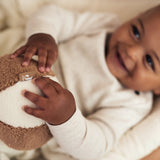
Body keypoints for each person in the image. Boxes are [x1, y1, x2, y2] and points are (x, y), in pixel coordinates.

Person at [11, 4, 160, 160]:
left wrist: (66, 119)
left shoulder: (132, 103)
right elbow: (53, 15)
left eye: (149, 61)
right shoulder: (104, 27)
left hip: (29, 134)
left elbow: (96, 147)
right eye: (136, 32)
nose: (131, 51)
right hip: (17, 72)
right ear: (137, 16)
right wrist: (43, 36)